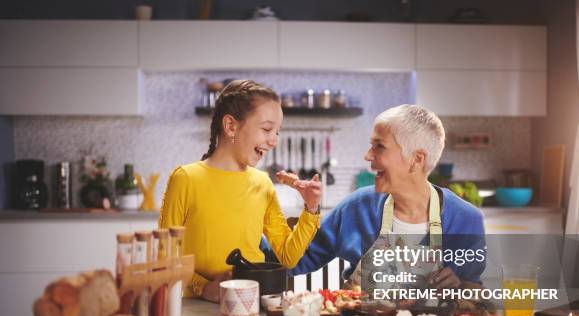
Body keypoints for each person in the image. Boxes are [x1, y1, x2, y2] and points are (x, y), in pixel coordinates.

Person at [288, 104, 485, 290]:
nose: (367, 156)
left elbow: (475, 296)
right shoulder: (357, 207)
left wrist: (459, 286)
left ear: (416, 160)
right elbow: (294, 259)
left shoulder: (466, 220)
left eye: (379, 146)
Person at [159, 79, 321, 302]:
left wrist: (311, 208)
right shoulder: (185, 178)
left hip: (249, 302)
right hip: (196, 307)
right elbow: (166, 255)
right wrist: (204, 288)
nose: (273, 141)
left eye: (277, 132)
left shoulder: (262, 183)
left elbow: (287, 256)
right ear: (231, 126)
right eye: (266, 129)